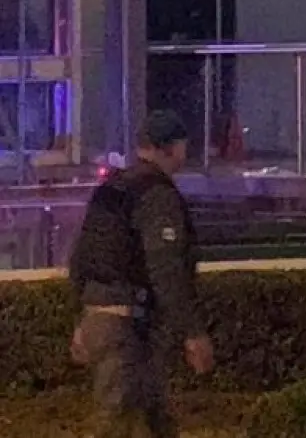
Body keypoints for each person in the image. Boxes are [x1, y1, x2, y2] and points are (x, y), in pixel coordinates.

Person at [69, 110, 214, 438]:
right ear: (172, 147)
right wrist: (192, 331)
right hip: (128, 329)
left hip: (101, 320)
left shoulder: (111, 189)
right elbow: (166, 269)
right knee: (120, 424)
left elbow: (80, 257)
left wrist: (82, 319)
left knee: (150, 421)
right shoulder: (157, 195)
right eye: (183, 145)